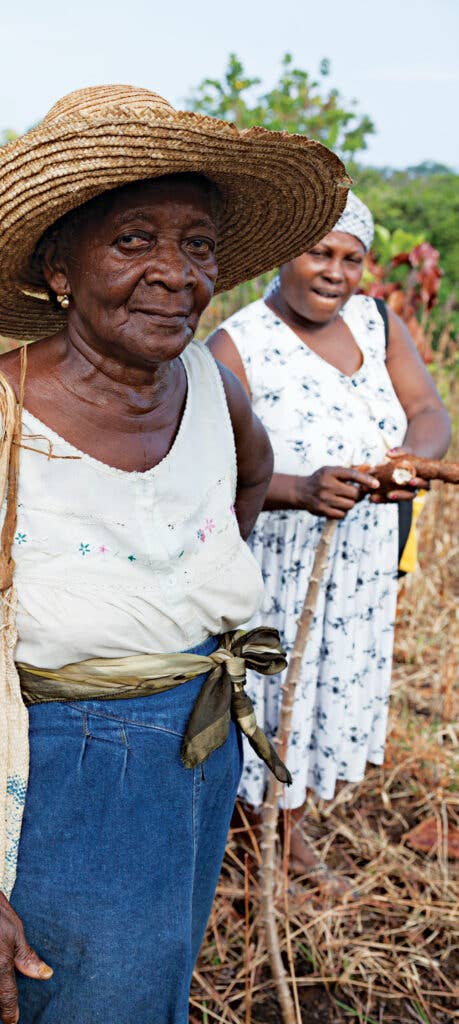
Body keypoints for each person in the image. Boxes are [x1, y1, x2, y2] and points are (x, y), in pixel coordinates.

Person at [0, 84, 347, 1023]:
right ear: (58, 268)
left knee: (150, 990)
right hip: (65, 773)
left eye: (197, 244)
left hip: (202, 733)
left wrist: (181, 584)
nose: (175, 274)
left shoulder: (203, 379)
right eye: (131, 241)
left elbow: (251, 477)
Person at [207, 192, 451, 894]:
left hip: (362, 560)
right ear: (284, 255)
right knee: (273, 694)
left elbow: (427, 410)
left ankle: (292, 830)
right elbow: (210, 467)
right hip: (278, 561)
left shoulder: (376, 324)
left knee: (326, 690)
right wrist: (299, 489)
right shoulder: (236, 345)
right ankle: (254, 841)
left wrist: (413, 459)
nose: (334, 272)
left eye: (351, 259)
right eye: (319, 252)